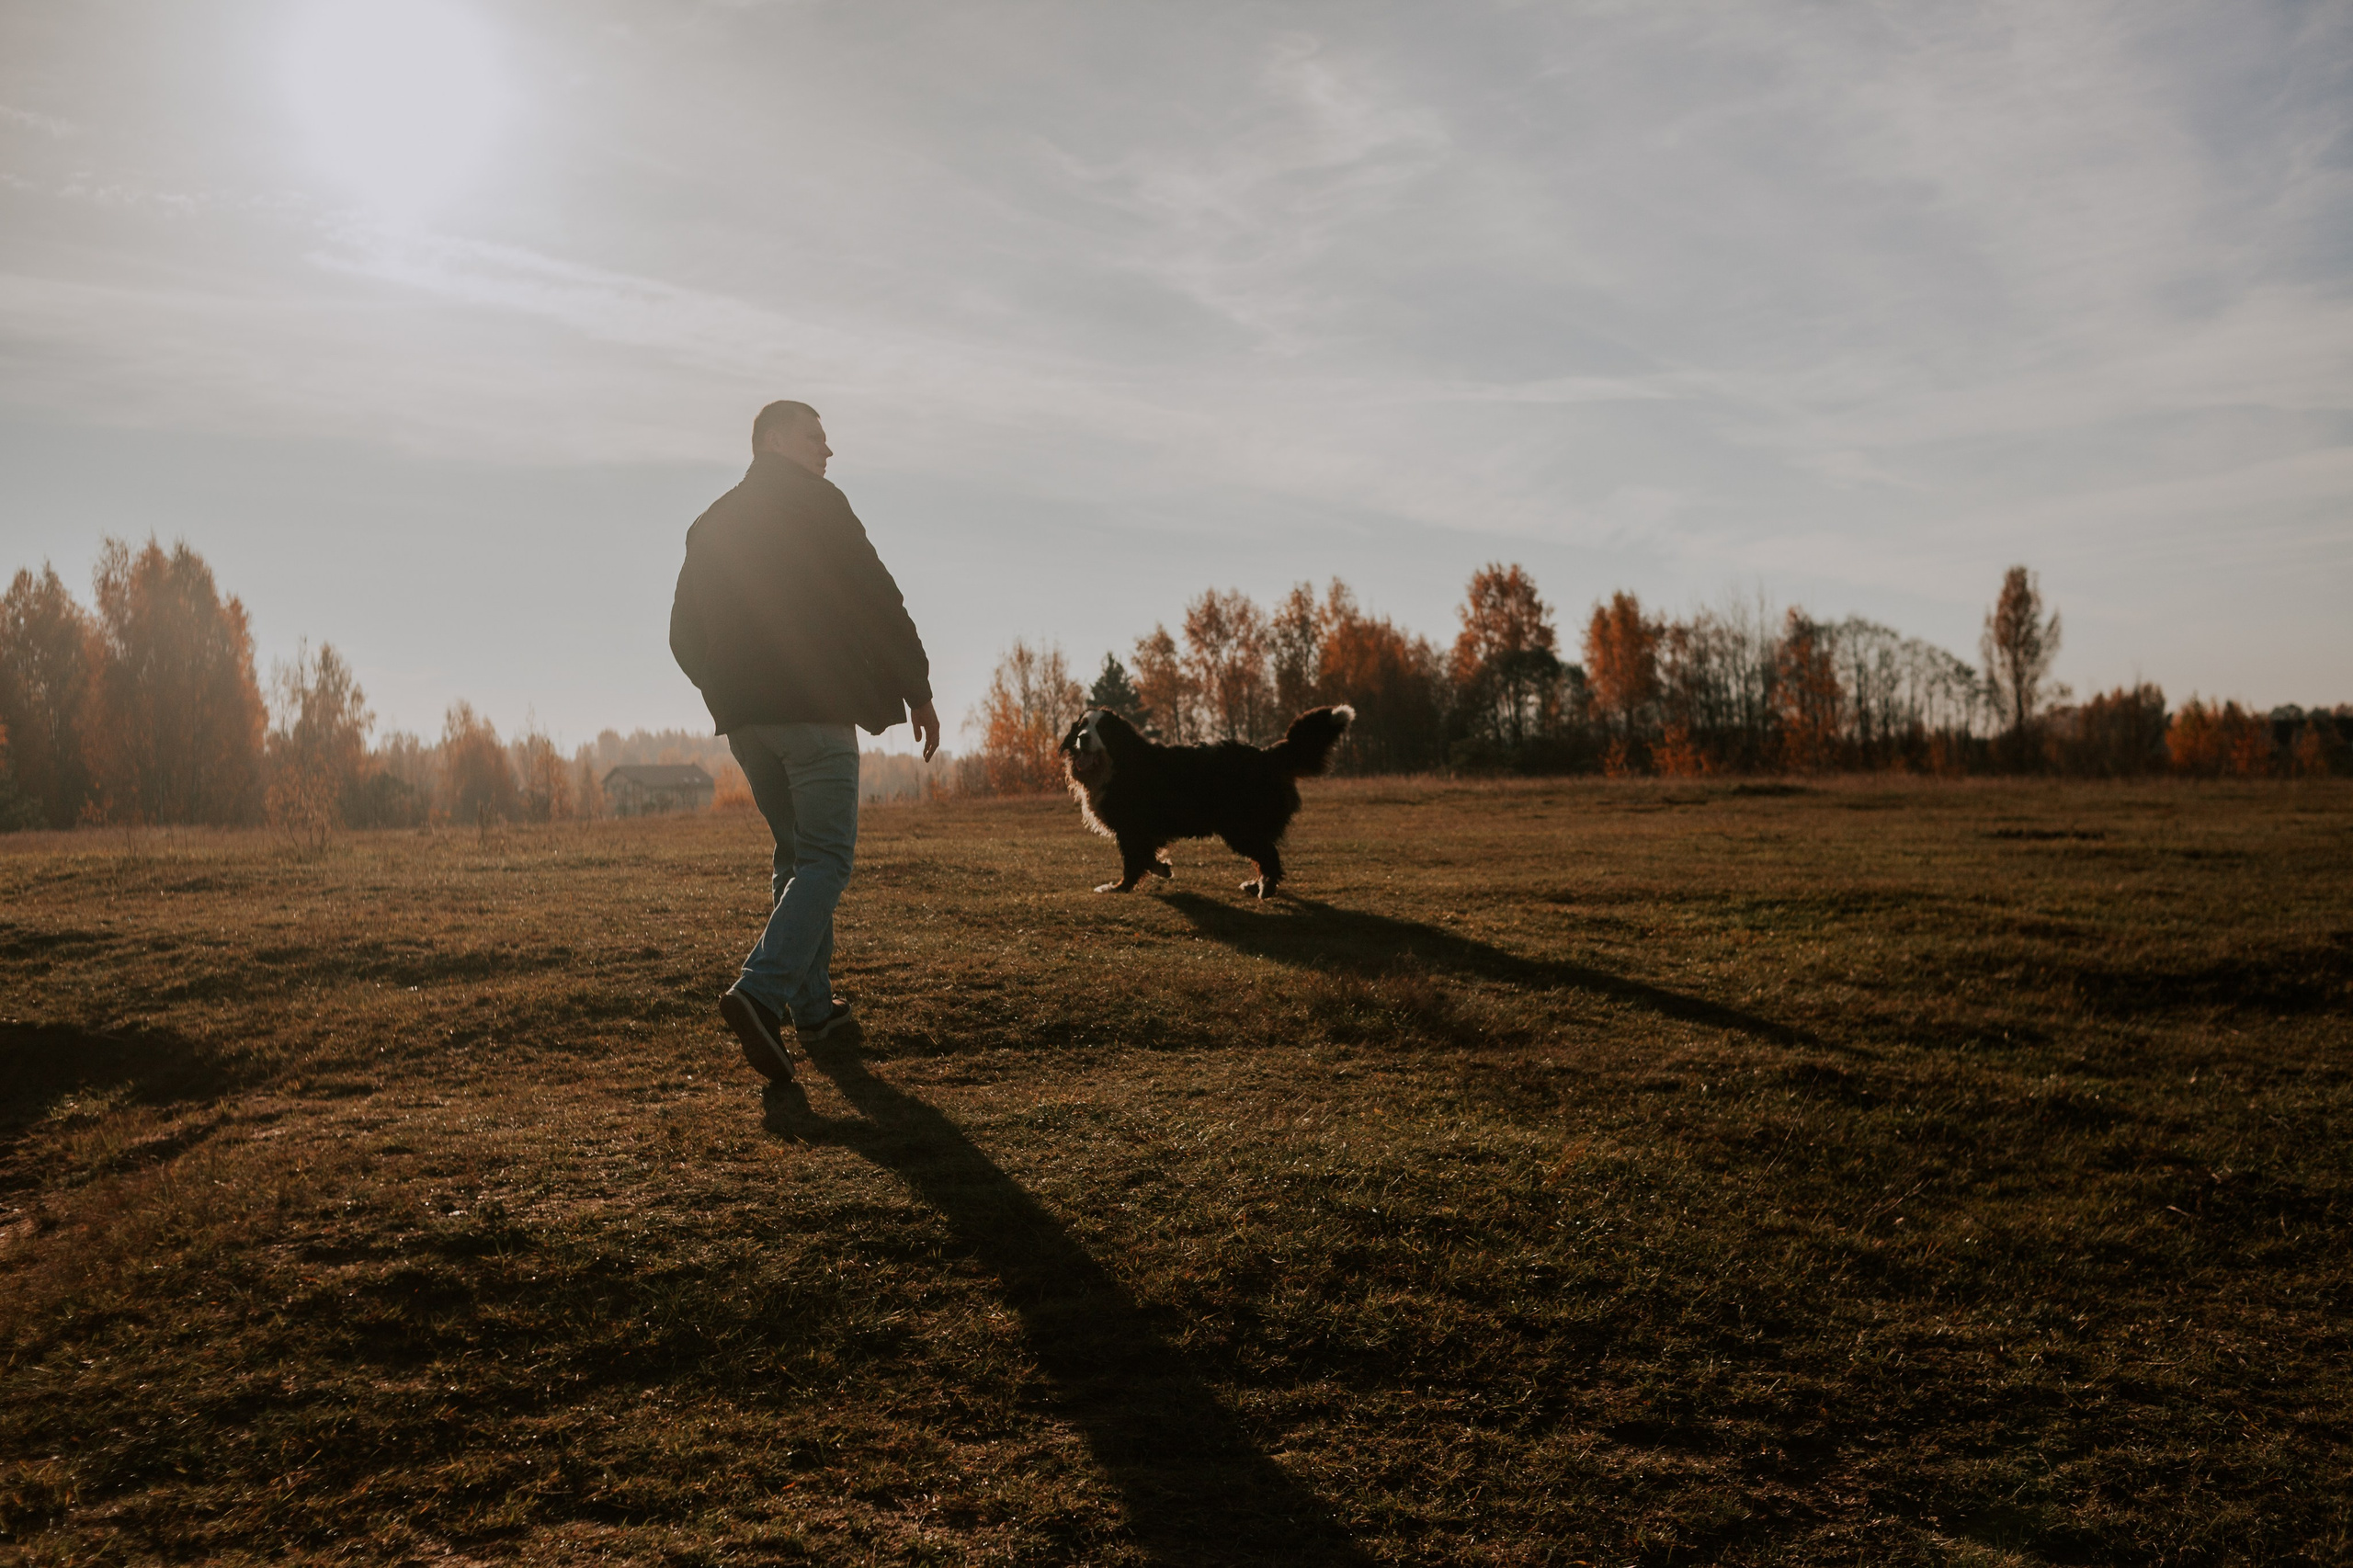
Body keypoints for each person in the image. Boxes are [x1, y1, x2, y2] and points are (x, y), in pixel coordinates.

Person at [669, 400, 940, 1086]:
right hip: (814, 712)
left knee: (796, 855)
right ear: (773, 440)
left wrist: (729, 694)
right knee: (826, 858)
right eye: (814, 437)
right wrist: (918, 689)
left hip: (748, 726)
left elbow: (682, 636)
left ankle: (815, 1011)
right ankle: (760, 992)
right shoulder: (820, 505)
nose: (828, 450)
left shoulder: (712, 522)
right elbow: (878, 598)